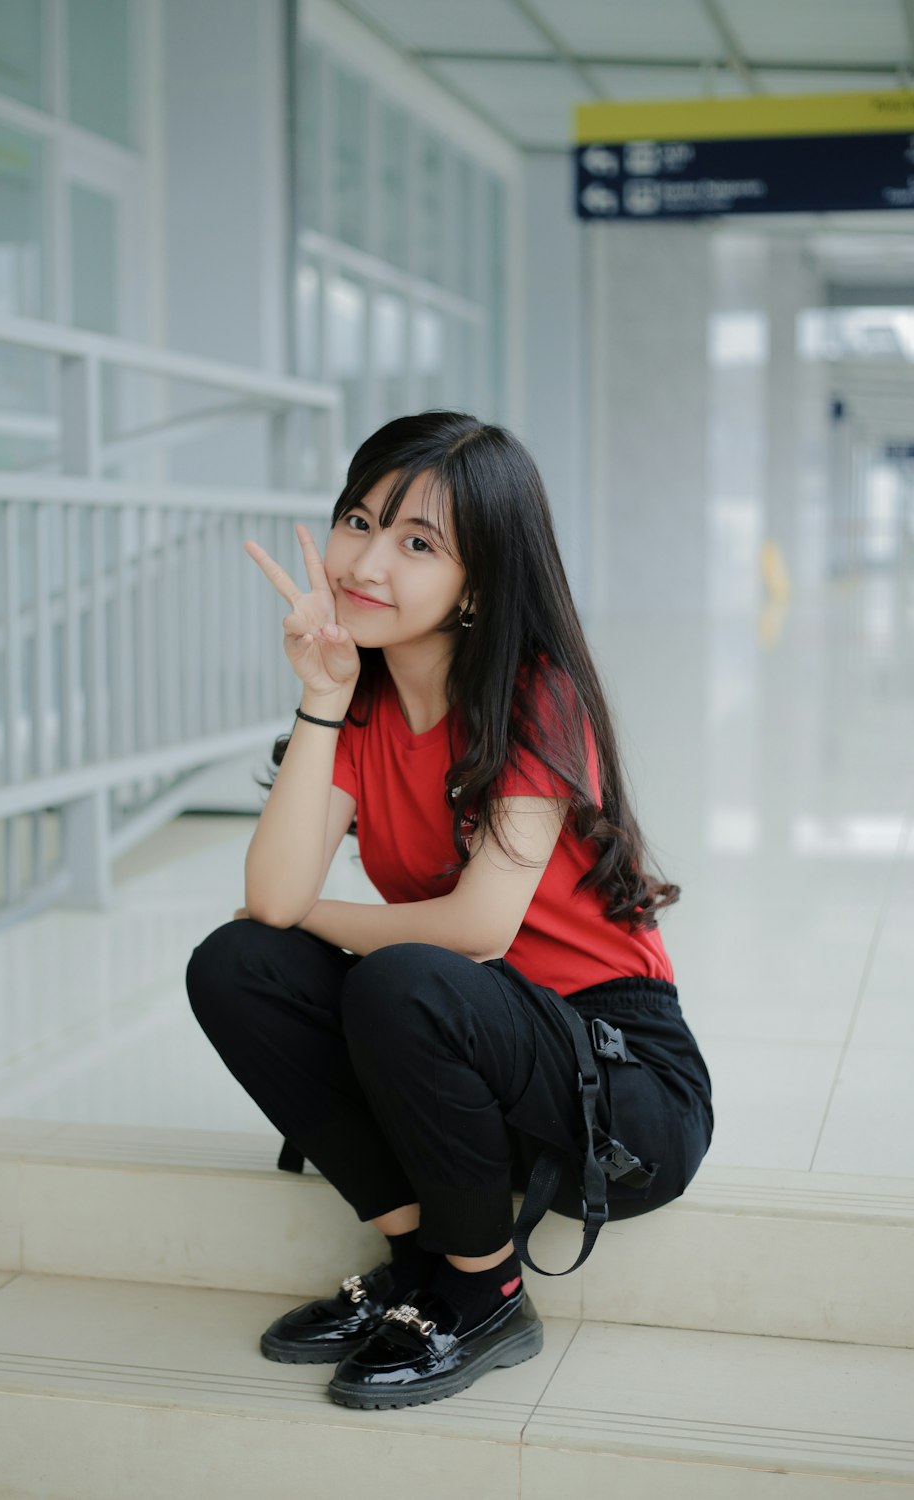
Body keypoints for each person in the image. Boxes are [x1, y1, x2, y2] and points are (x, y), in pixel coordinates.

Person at [185, 411, 712, 1412]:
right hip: (459, 1053)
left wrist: (325, 923)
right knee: (235, 963)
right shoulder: (363, 701)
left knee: (407, 973)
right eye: (358, 520)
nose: (365, 560)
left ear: (479, 583)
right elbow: (268, 903)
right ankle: (418, 1255)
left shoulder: (537, 695)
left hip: (619, 1082)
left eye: (417, 543)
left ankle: (483, 1290)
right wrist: (321, 697)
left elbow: (477, 930)